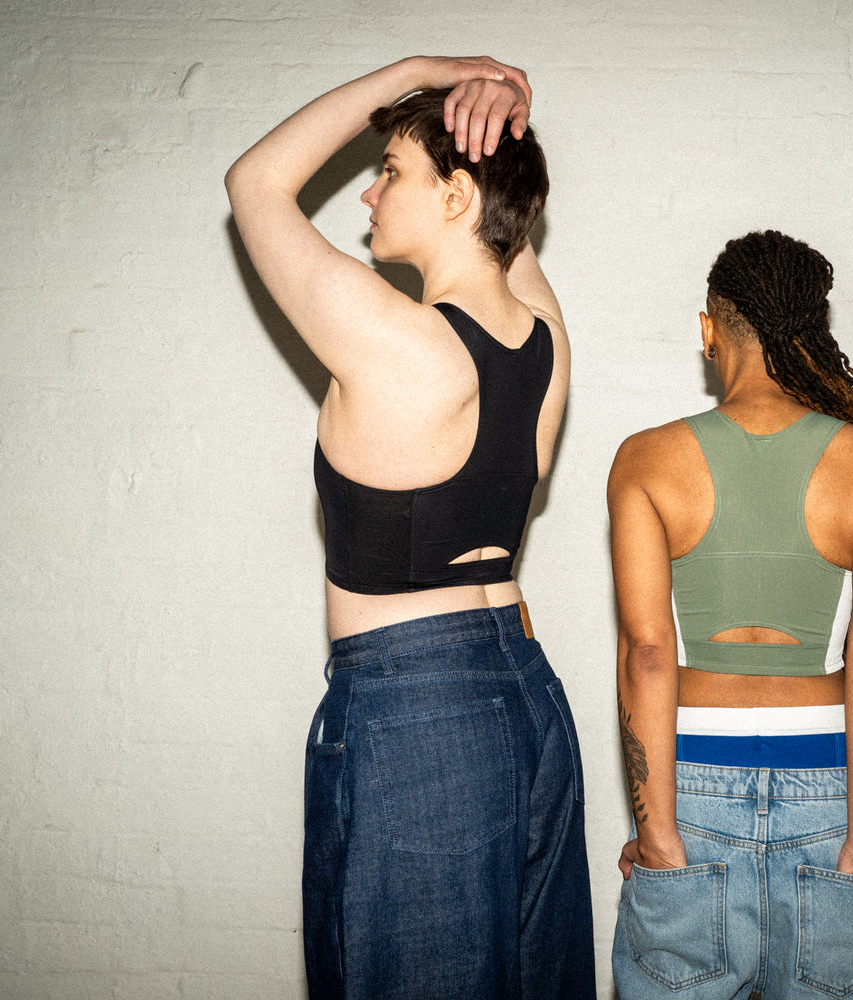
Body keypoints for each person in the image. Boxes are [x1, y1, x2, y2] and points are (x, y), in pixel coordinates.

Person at [225, 56, 593, 999]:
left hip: (420, 715)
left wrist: (423, 71)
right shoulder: (544, 342)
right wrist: (502, 107)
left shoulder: (398, 340)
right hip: (530, 699)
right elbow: (510, 233)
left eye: (390, 170)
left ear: (457, 196)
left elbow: (255, 182)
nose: (369, 193)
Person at [608, 231, 853, 999]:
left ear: (708, 329)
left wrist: (657, 835)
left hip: (690, 789)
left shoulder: (646, 458)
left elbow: (647, 653)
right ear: (809, 330)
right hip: (830, 790)